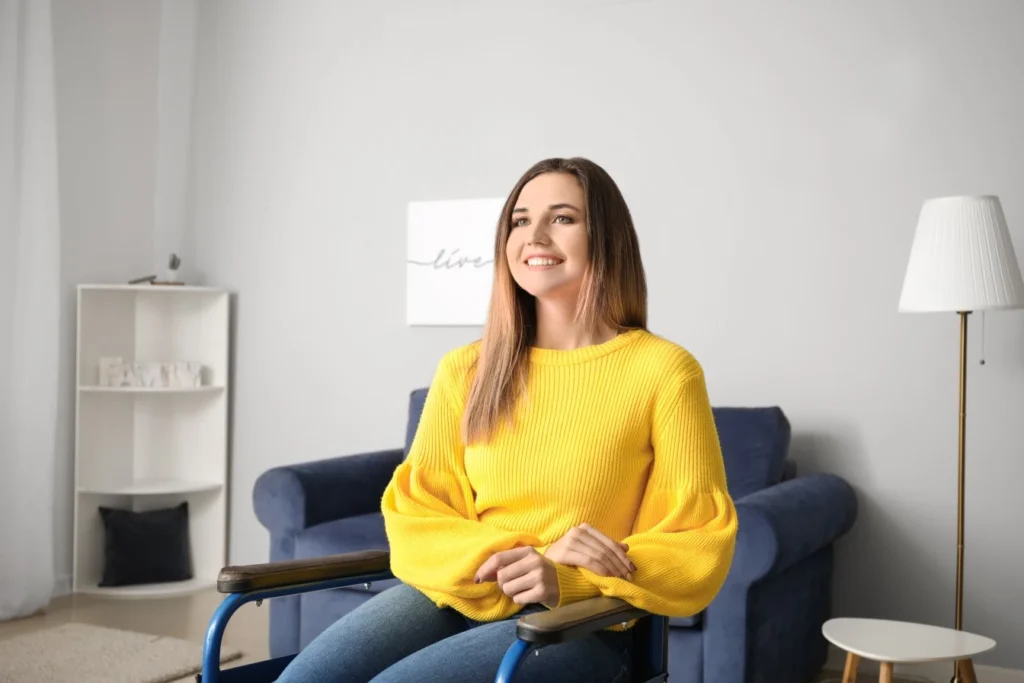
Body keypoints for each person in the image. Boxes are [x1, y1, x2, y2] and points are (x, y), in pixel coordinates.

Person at [275, 157, 738, 683]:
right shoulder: (466, 369)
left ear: (605, 238)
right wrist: (532, 557)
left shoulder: (663, 371)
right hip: (461, 593)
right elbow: (414, 515)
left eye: (562, 218)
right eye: (520, 220)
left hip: (581, 623)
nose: (535, 235)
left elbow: (697, 538)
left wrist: (566, 575)